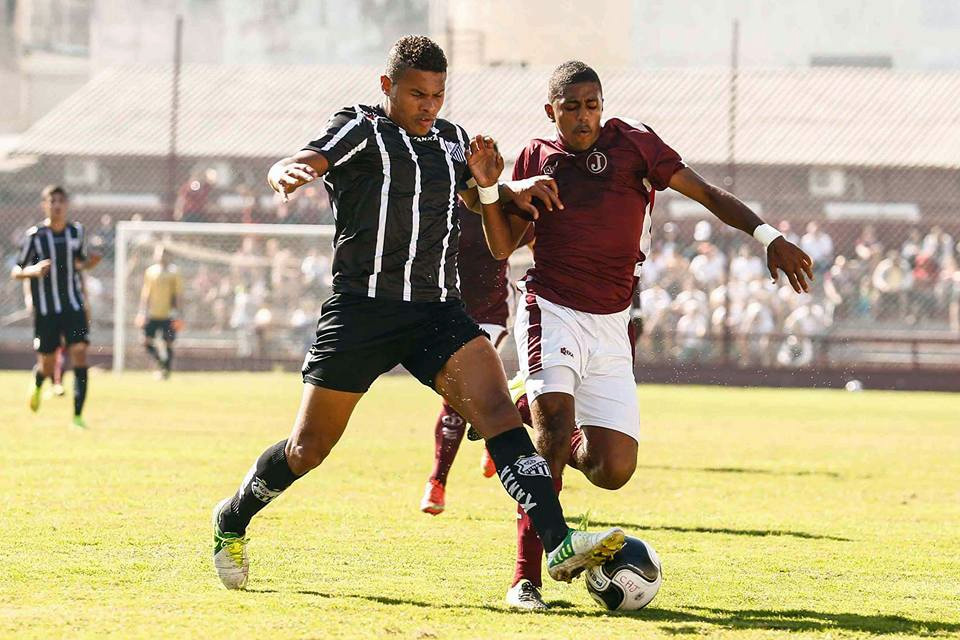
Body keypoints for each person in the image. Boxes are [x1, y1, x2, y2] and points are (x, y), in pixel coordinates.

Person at [210, 36, 626, 593]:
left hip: (436, 312)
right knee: (308, 450)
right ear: (387, 88)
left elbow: (481, 199)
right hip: (362, 312)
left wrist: (499, 183)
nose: (428, 106)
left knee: (501, 414)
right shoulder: (361, 128)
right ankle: (232, 518)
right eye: (416, 95)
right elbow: (313, 155)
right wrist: (289, 168)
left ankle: (558, 541)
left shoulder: (452, 140)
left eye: (436, 95)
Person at [480, 61, 813, 609]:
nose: (584, 117)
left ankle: (530, 411)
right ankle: (526, 578)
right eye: (571, 107)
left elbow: (704, 192)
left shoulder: (635, 143)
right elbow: (502, 247)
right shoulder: (536, 156)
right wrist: (494, 192)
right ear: (550, 110)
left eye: (592, 104)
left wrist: (767, 235)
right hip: (551, 307)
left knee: (614, 470)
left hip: (613, 322)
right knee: (554, 434)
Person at [419, 204, 534, 515]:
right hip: (449, 313)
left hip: (492, 314)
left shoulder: (504, 205)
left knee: (458, 393)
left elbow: (539, 240)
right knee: (462, 391)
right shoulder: (437, 202)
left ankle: (436, 482)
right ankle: (499, 422)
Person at [11, 185, 101, 428]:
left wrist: (91, 263)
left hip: (73, 305)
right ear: (45, 205)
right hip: (47, 309)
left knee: (80, 354)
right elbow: (15, 270)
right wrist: (33, 270)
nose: (57, 205)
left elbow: (80, 265)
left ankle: (78, 417)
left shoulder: (77, 232)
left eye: (61, 201)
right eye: (52, 201)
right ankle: (39, 380)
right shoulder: (35, 236)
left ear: (67, 204)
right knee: (49, 365)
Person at [136, 244, 184, 379]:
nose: (161, 256)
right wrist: (141, 312)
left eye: (164, 253)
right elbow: (146, 293)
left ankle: (166, 371)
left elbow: (178, 294)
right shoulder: (150, 272)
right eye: (159, 253)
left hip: (169, 314)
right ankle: (161, 363)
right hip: (152, 313)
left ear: (169, 255)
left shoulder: (174, 272)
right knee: (145, 341)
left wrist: (179, 313)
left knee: (168, 342)